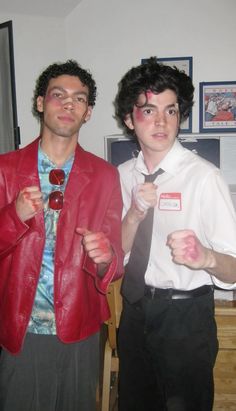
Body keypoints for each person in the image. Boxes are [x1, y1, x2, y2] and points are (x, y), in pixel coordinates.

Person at [0, 59, 124, 411]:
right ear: (41, 103)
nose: (69, 104)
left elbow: (116, 265)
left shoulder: (104, 176)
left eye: (79, 98)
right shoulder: (5, 169)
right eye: (59, 95)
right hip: (19, 328)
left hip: (79, 328)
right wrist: (14, 215)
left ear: (88, 112)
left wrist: (105, 258)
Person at [114, 57, 236, 411]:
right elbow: (118, 252)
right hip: (134, 313)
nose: (161, 122)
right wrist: (134, 215)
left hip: (185, 319)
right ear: (128, 119)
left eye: (170, 111)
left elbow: (234, 269)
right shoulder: (122, 176)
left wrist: (207, 258)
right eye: (148, 111)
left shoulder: (204, 177)